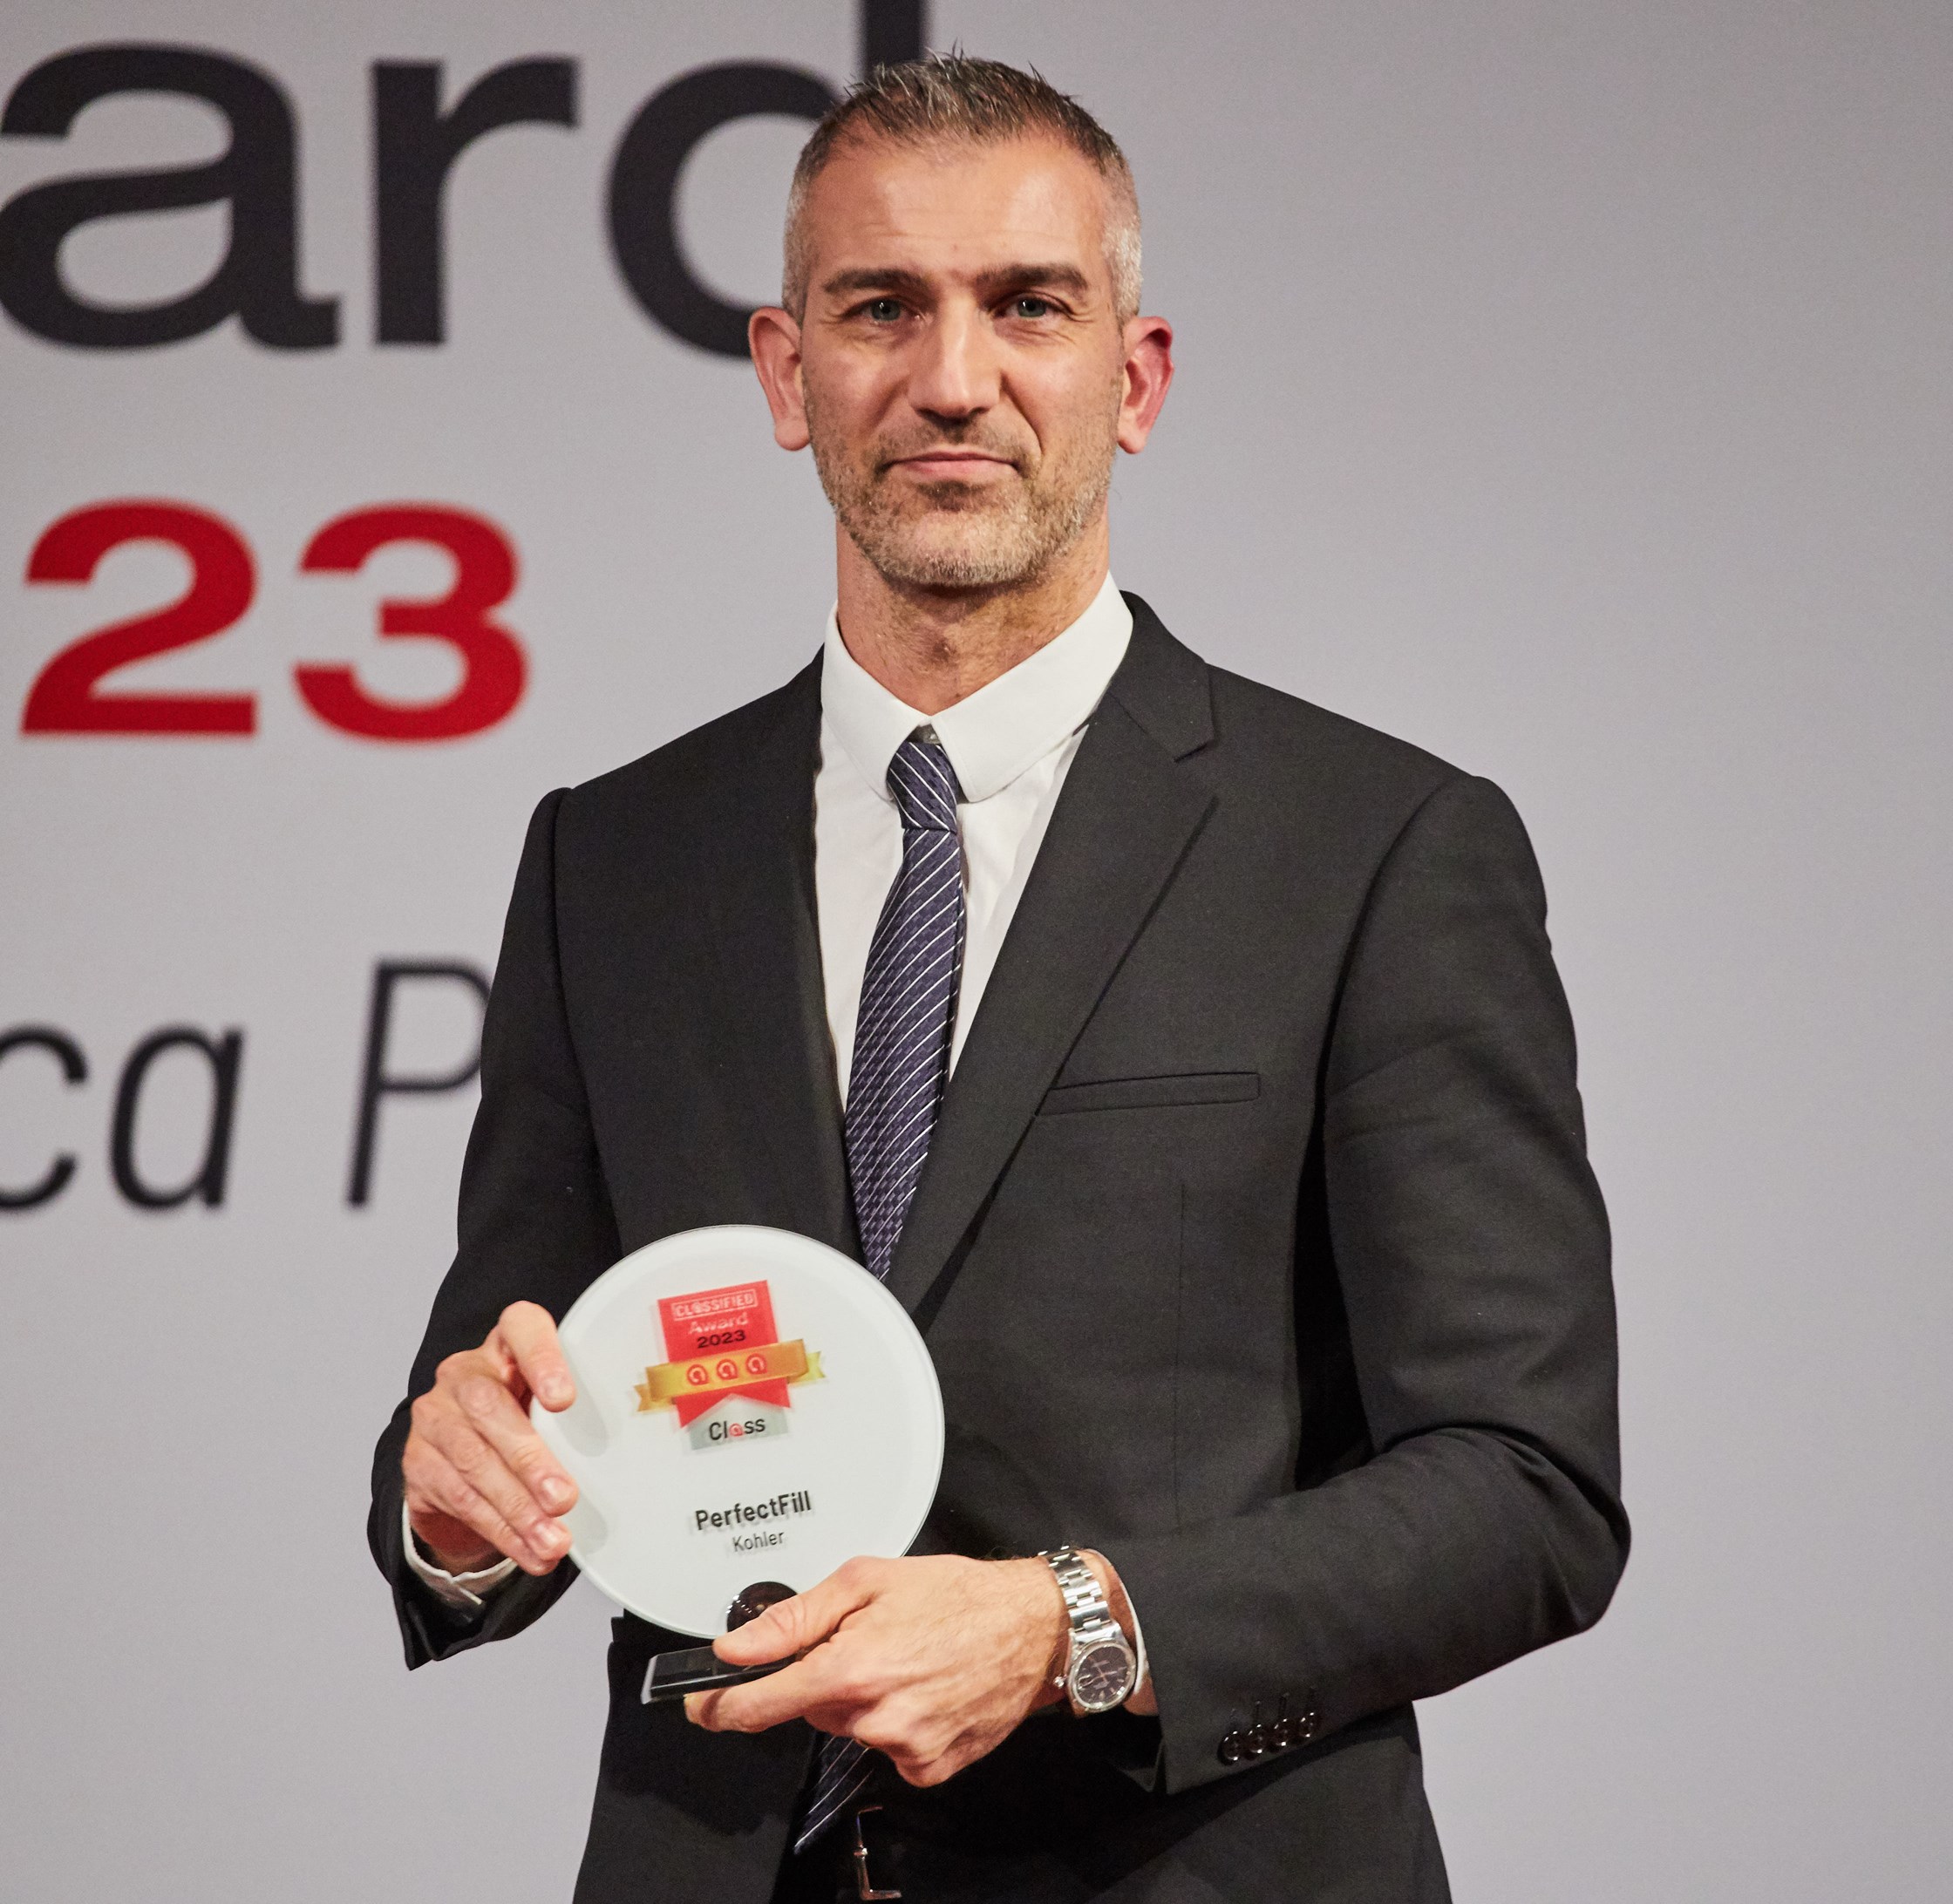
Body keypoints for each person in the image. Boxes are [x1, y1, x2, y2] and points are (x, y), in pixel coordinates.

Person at [369, 54, 1626, 1904]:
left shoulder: (1376, 845)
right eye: (879, 307)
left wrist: (1071, 1629)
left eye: (1028, 306)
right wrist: (459, 1497)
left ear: (1136, 377)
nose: (952, 379)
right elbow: (508, 1390)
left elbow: (1525, 1488)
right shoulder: (611, 860)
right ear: (786, 374)